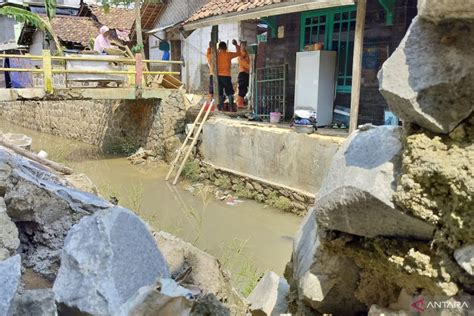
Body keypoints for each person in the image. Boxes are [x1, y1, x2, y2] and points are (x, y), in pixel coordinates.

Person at [207, 39, 241, 111]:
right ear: (226, 48)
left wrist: (210, 47)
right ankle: (231, 107)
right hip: (226, 76)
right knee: (229, 92)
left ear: (219, 48)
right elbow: (239, 53)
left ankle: (221, 108)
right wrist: (236, 45)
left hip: (217, 76)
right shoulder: (228, 54)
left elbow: (208, 56)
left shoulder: (215, 55)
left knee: (220, 92)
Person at [236, 40, 250, 108]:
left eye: (245, 45)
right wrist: (252, 68)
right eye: (242, 45)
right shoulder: (240, 55)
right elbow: (244, 64)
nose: (244, 47)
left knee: (245, 89)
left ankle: (241, 102)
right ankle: (239, 103)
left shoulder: (247, 53)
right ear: (240, 46)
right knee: (242, 88)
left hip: (248, 73)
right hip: (242, 74)